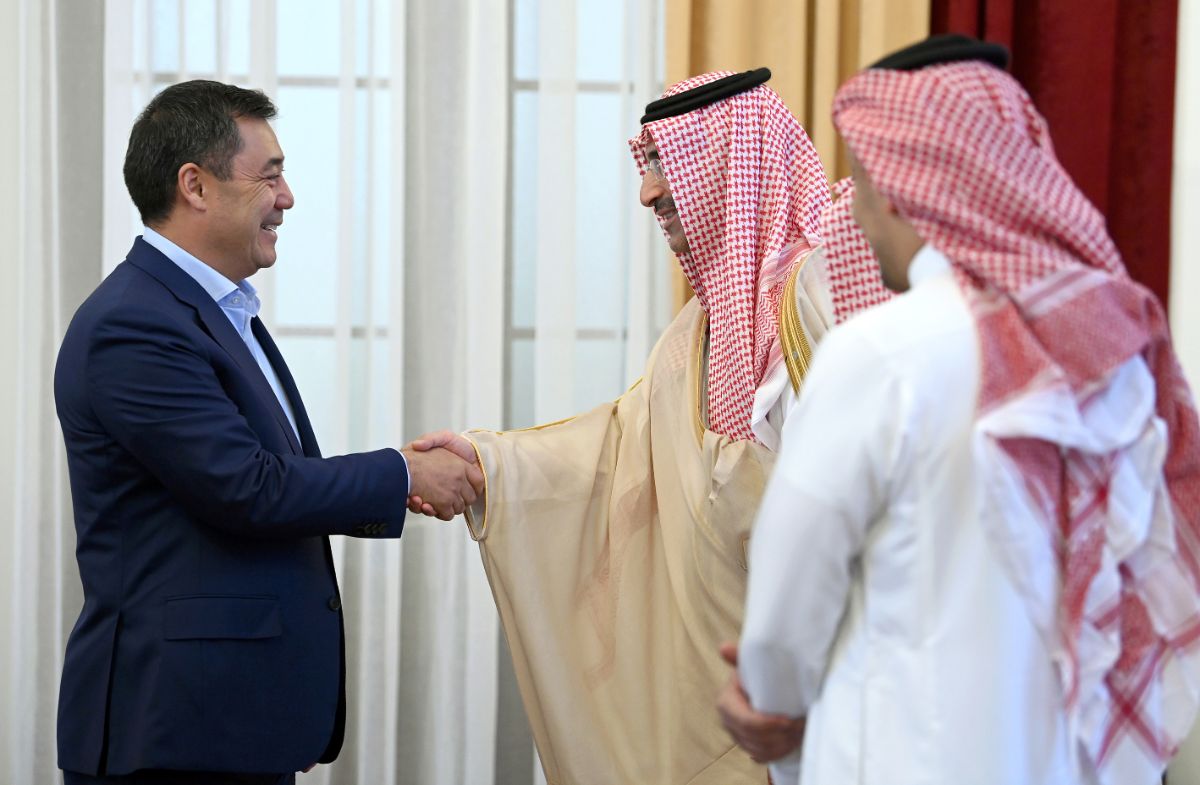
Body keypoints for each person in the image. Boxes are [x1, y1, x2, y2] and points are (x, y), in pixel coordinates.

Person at [725, 35, 1200, 785]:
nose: (858, 219)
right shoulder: (1114, 350)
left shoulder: (880, 355)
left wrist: (768, 709)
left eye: (859, 188)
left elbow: (783, 624)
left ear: (893, 187)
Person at [410, 69, 861, 784]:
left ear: (729, 162)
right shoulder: (699, 328)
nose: (648, 192)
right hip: (722, 676)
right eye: (646, 164)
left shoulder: (818, 294)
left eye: (665, 163)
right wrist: (488, 465)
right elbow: (624, 446)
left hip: (818, 677)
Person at [54, 80, 482, 785]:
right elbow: (248, 488)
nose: (287, 198)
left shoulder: (213, 311)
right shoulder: (133, 324)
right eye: (270, 176)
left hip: (230, 721)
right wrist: (405, 472)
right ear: (195, 185)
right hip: (170, 733)